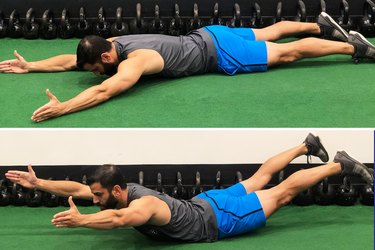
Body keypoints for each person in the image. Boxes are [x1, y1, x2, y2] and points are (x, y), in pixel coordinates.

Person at [0, 13, 374, 122]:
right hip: (208, 34)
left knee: (285, 54)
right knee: (265, 32)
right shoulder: (112, 43)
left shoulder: (137, 60)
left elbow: (105, 90)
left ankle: (351, 47)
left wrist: (64, 107)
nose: (94, 73)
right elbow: (71, 61)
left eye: (97, 68)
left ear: (108, 58)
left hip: (218, 55)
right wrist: (32, 65)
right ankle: (321, 25)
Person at [5, 133, 373, 242]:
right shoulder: (118, 189)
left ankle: (338, 163)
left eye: (99, 195)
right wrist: (39, 183)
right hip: (205, 202)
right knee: (259, 178)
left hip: (219, 218)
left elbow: (120, 220)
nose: (93, 198)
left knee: (281, 192)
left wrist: (82, 222)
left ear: (116, 191)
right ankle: (306, 145)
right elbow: (78, 188)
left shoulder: (140, 205)